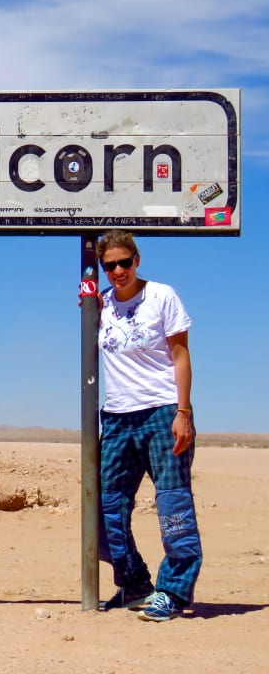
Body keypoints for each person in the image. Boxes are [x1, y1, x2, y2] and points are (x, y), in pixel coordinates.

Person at [95, 229, 202, 622]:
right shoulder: (100, 305)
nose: (118, 271)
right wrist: (88, 301)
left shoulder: (162, 296)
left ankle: (173, 591)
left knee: (173, 504)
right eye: (110, 266)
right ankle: (135, 582)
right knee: (104, 508)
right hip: (118, 417)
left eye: (125, 262)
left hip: (162, 412)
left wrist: (183, 412)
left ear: (137, 260)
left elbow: (180, 355)